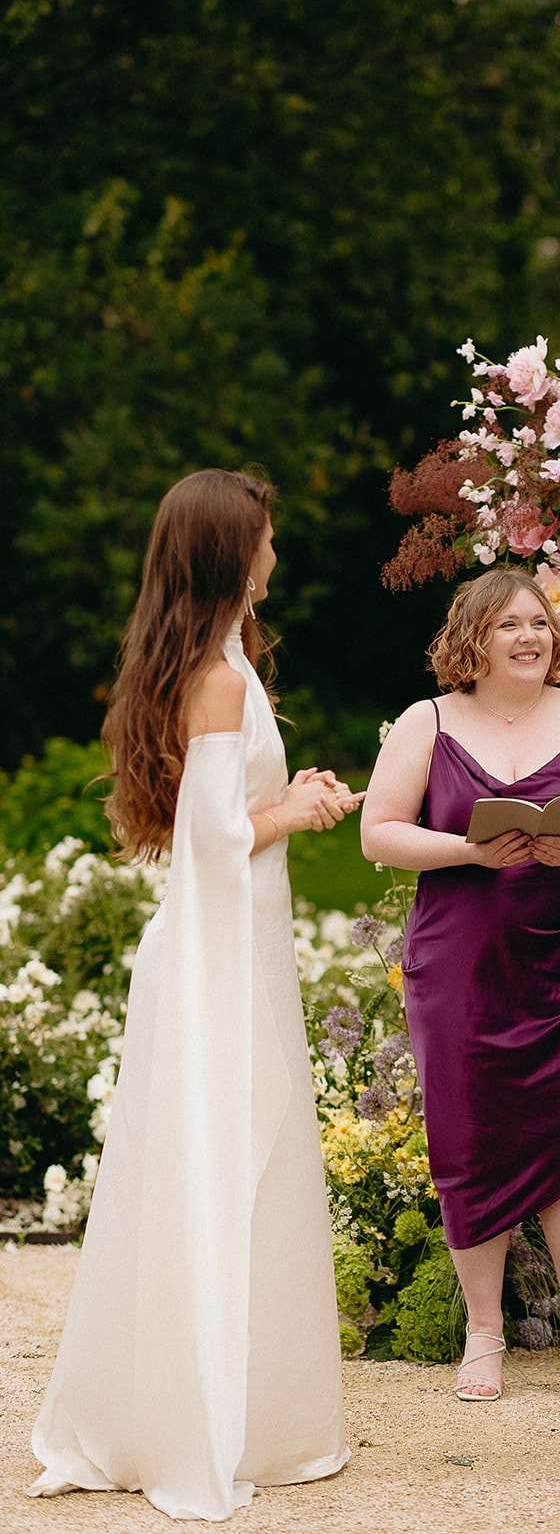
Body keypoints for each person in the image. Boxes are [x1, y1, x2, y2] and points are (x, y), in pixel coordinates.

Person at [28, 468, 361, 1522]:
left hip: (228, 946)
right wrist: (304, 808)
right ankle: (207, 1414)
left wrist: (280, 799)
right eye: (265, 538)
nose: (275, 555)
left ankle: (231, 1398)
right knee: (226, 1162)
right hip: (218, 956)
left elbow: (212, 818)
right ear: (232, 552)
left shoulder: (213, 664)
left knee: (230, 1162)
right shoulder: (218, 679)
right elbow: (217, 838)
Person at [360, 569, 560, 1403]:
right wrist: (468, 852)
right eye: (509, 625)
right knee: (469, 1134)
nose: (530, 637)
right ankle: (484, 1333)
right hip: (461, 960)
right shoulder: (431, 720)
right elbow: (380, 834)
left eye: (539, 623)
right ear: (472, 639)